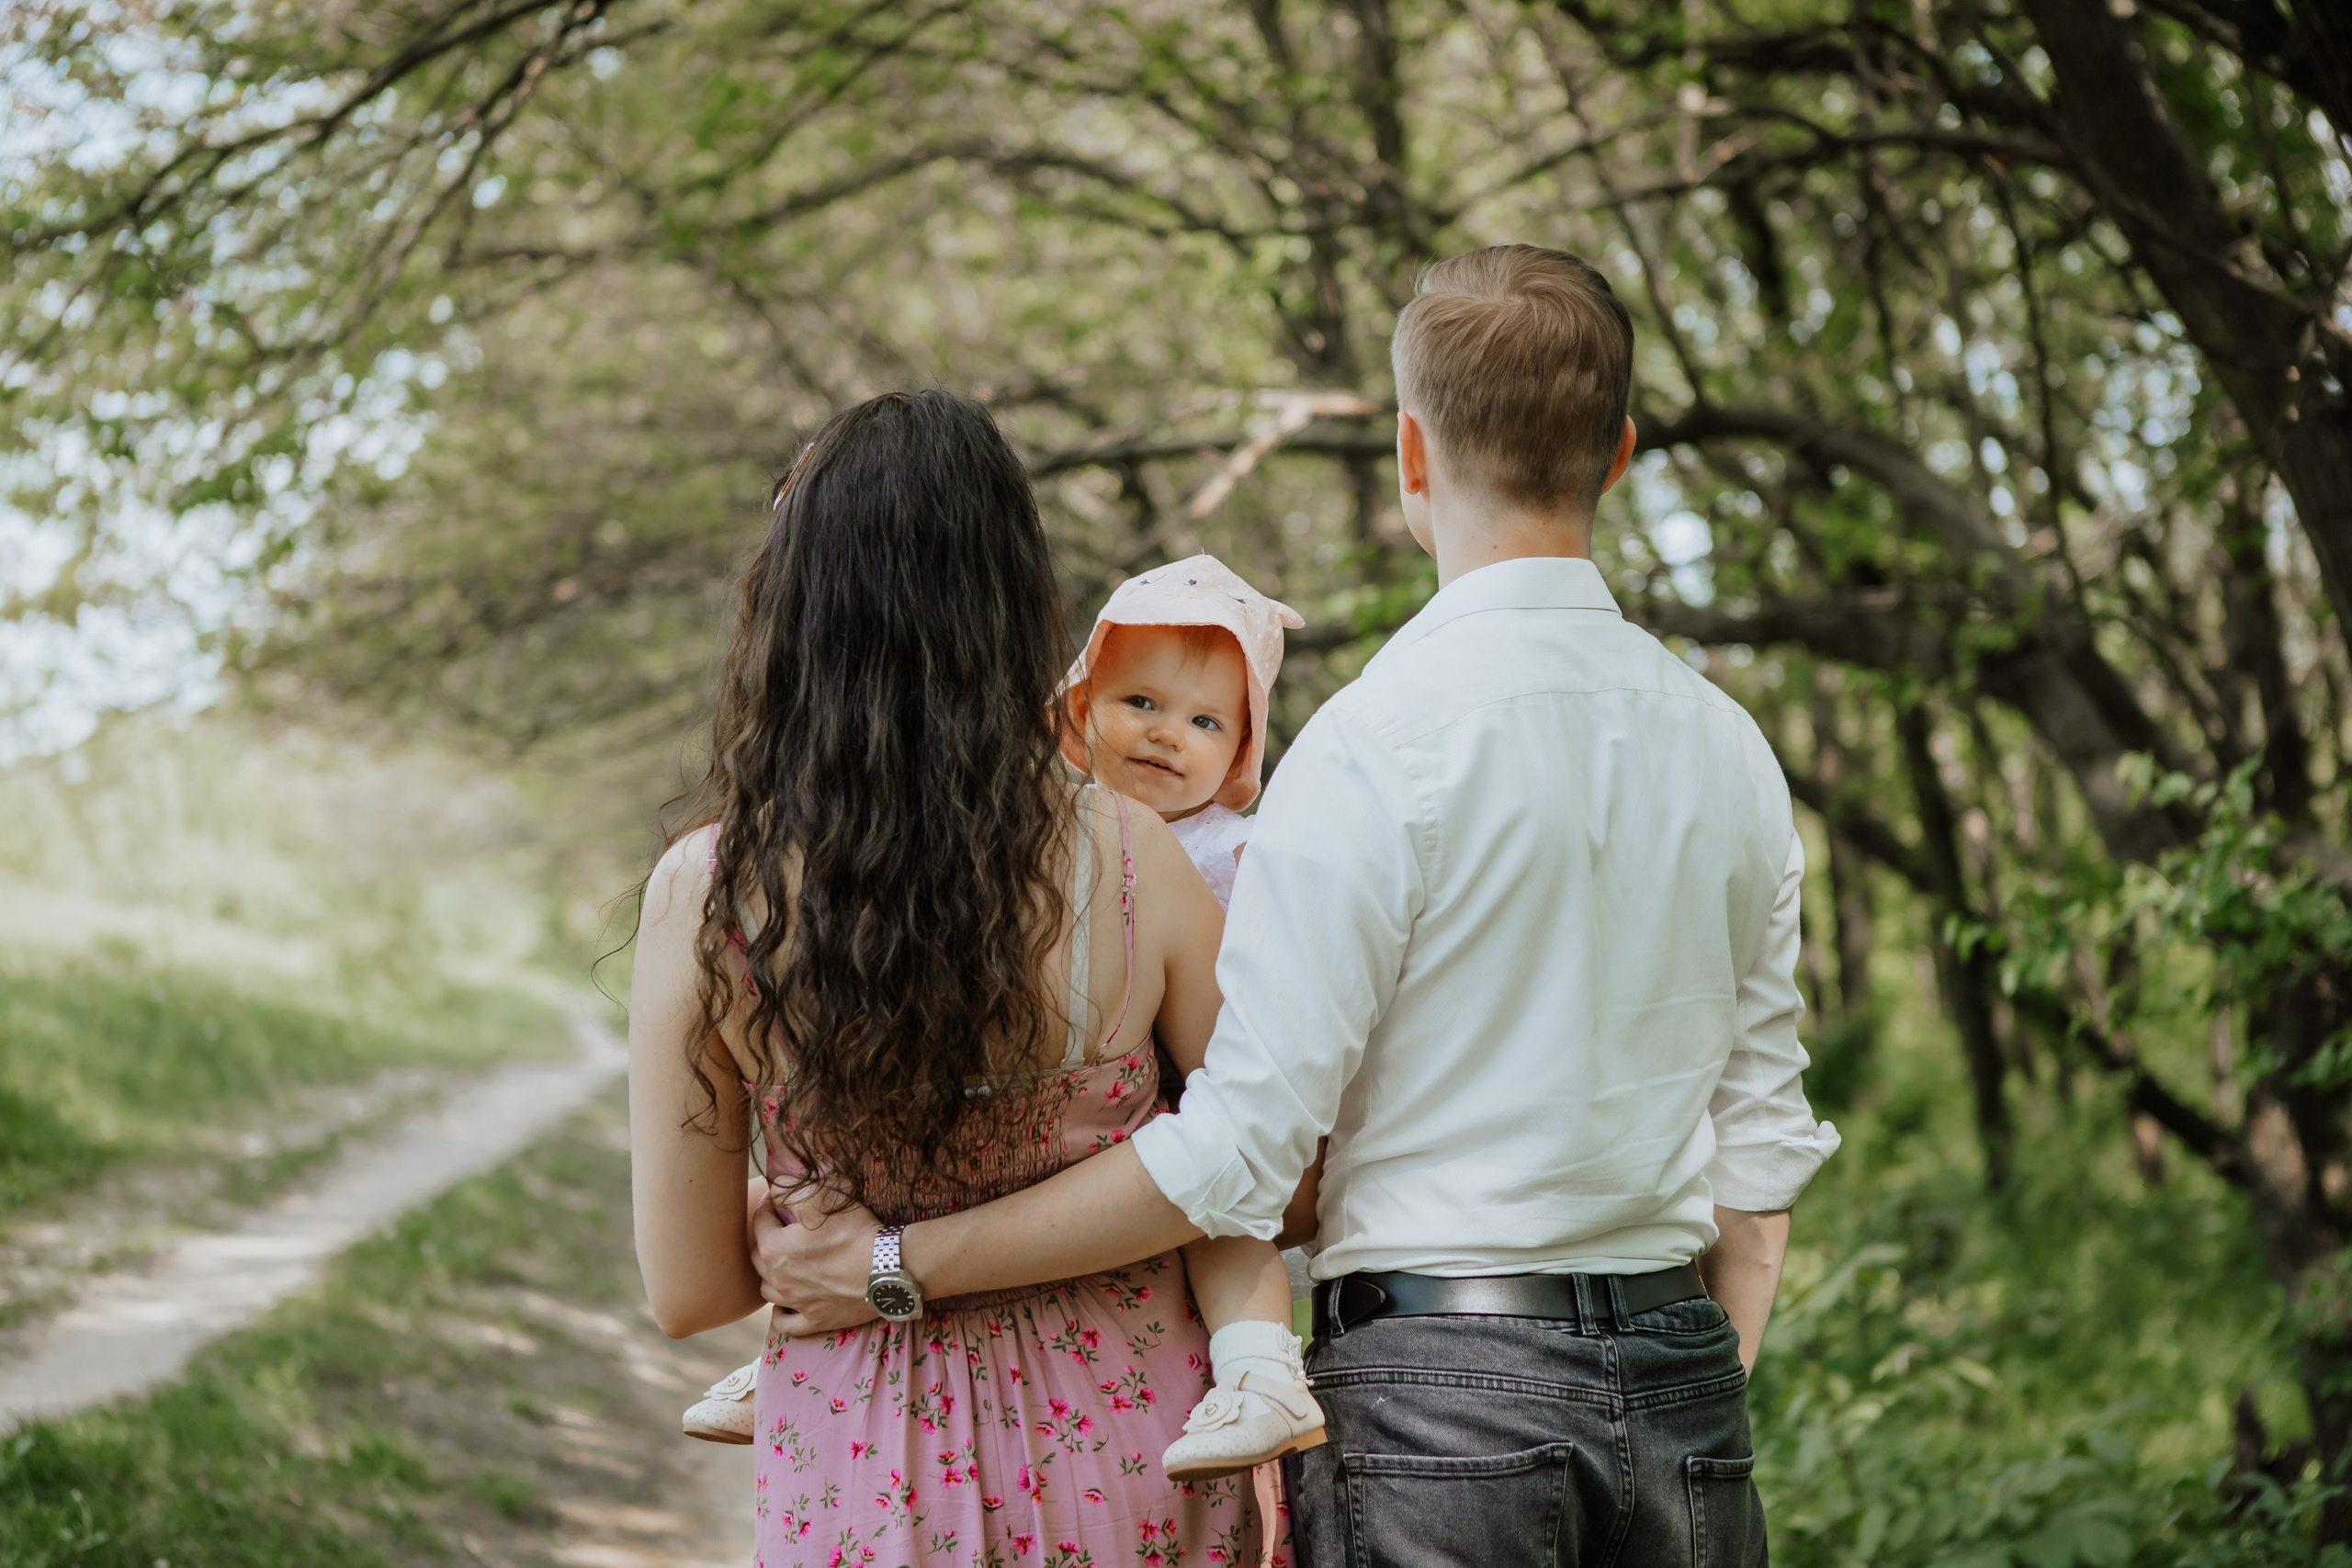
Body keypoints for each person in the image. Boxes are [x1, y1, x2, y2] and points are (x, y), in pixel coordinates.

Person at [749, 247, 1842, 1567]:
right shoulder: (1731, 749)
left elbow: (1238, 1157)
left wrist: (895, 1263)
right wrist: (1691, 1396)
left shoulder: (1373, 744)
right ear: (1618, 455)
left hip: (1442, 1400)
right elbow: (1761, 1163)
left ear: (1411, 455)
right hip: (1686, 1391)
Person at [628, 389, 1283, 1566]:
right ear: (1017, 609)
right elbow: (1264, 1164)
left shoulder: (706, 896)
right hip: (1129, 1459)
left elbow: (688, 1289)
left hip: (862, 1468)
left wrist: (853, 1237)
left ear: (790, 610)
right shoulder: (1132, 859)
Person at [685, 552, 1328, 1484]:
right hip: (1092, 1108)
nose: (1165, 736)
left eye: (1204, 722)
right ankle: (801, 1331)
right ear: (1076, 708)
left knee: (1216, 1216)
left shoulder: (1239, 851)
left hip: (1195, 1102)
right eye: (1139, 704)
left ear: (1239, 754)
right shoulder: (1044, 837)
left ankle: (1262, 1369)